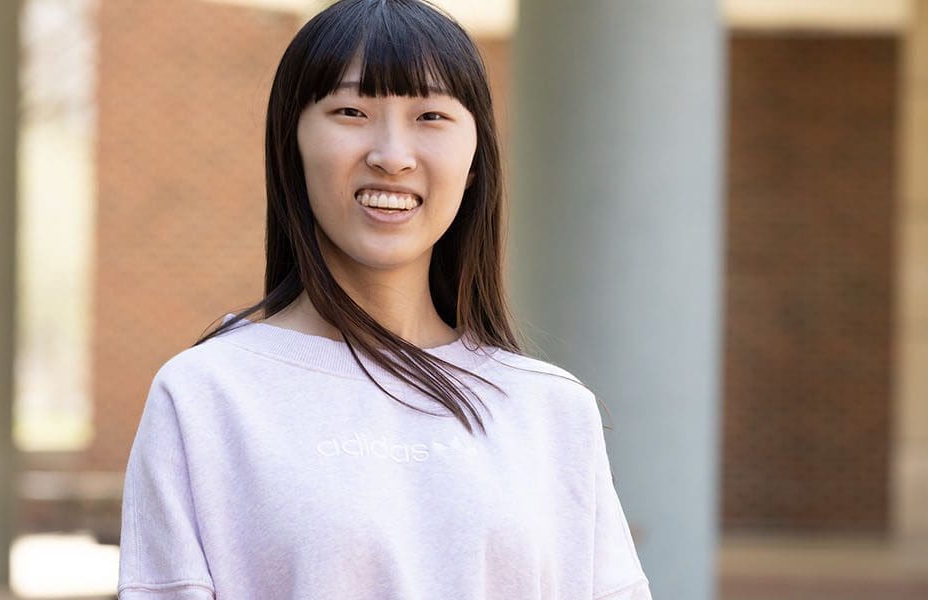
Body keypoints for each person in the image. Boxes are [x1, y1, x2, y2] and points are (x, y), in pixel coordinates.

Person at [115, 0, 652, 598]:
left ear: (475, 161)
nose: (392, 155)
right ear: (289, 146)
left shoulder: (551, 410)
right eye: (350, 110)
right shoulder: (206, 397)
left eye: (430, 116)